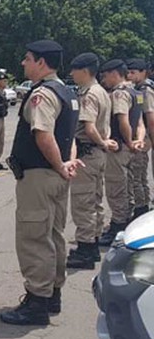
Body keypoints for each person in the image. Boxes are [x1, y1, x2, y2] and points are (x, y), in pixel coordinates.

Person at [0, 40, 81, 326]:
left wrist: (60, 165)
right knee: (54, 235)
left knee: (34, 236)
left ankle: (36, 302)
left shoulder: (43, 94)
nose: (23, 63)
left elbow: (43, 134)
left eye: (27, 58)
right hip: (56, 175)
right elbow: (71, 137)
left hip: (39, 175)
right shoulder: (67, 92)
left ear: (42, 63)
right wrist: (66, 165)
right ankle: (52, 294)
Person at [66, 53, 115, 270]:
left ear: (84, 71)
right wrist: (104, 143)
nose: (71, 74)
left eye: (74, 70)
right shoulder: (102, 92)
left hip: (88, 153)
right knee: (95, 200)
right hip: (98, 155)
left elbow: (89, 127)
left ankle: (85, 250)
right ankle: (92, 244)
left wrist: (102, 142)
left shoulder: (89, 95)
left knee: (83, 203)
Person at [99, 59, 146, 246]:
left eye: (105, 75)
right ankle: (125, 220)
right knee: (127, 187)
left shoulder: (119, 93)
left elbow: (123, 120)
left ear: (114, 73)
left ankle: (118, 225)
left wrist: (127, 141)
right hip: (132, 148)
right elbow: (140, 122)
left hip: (119, 148)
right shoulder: (136, 92)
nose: (104, 79)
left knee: (116, 188)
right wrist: (138, 140)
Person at [127, 58, 152, 219]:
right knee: (140, 175)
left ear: (143, 72)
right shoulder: (139, 88)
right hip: (144, 135)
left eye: (133, 72)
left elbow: (150, 116)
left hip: (143, 136)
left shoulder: (145, 90)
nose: (129, 75)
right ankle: (143, 206)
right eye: (128, 72)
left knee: (137, 175)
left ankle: (141, 209)